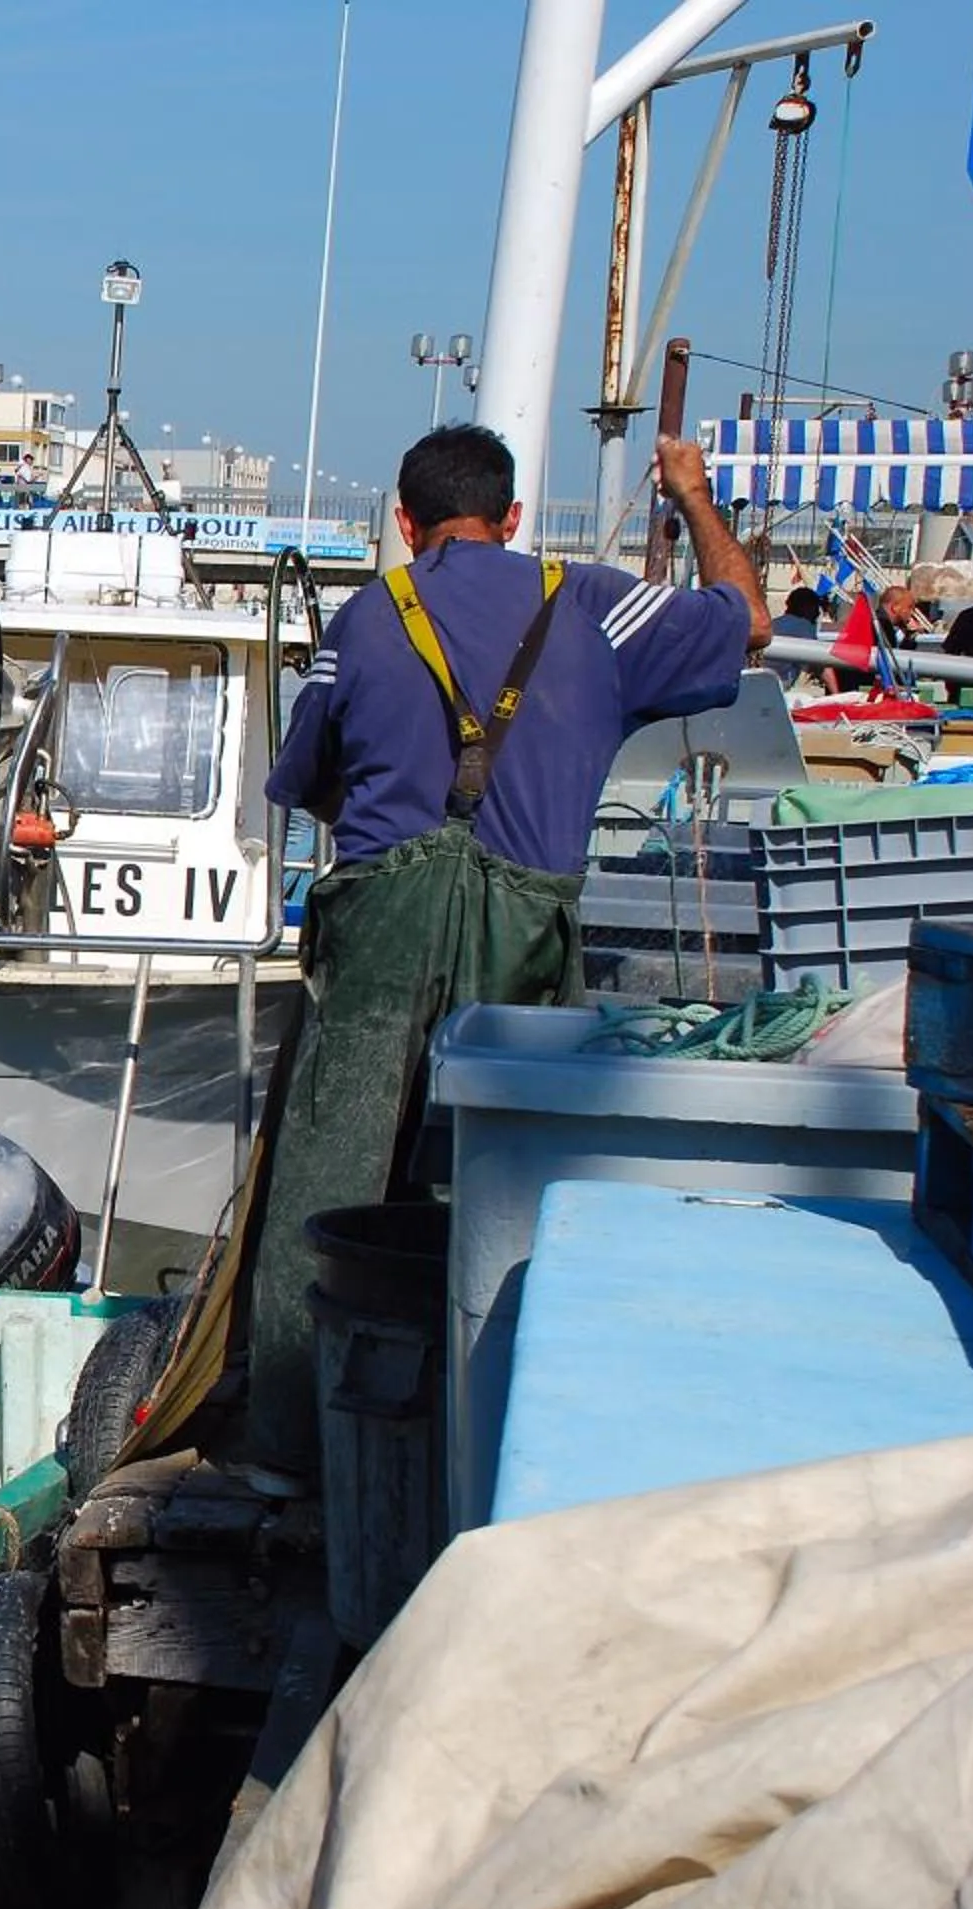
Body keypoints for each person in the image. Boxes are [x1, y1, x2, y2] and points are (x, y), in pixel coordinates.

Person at [247, 424, 762, 1478]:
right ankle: (496, 1438)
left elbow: (307, 779)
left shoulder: (367, 614)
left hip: (382, 921)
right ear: (514, 517)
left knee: (329, 1168)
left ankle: (288, 1445)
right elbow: (746, 619)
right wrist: (691, 495)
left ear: (405, 522)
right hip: (525, 928)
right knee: (508, 1175)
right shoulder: (594, 603)